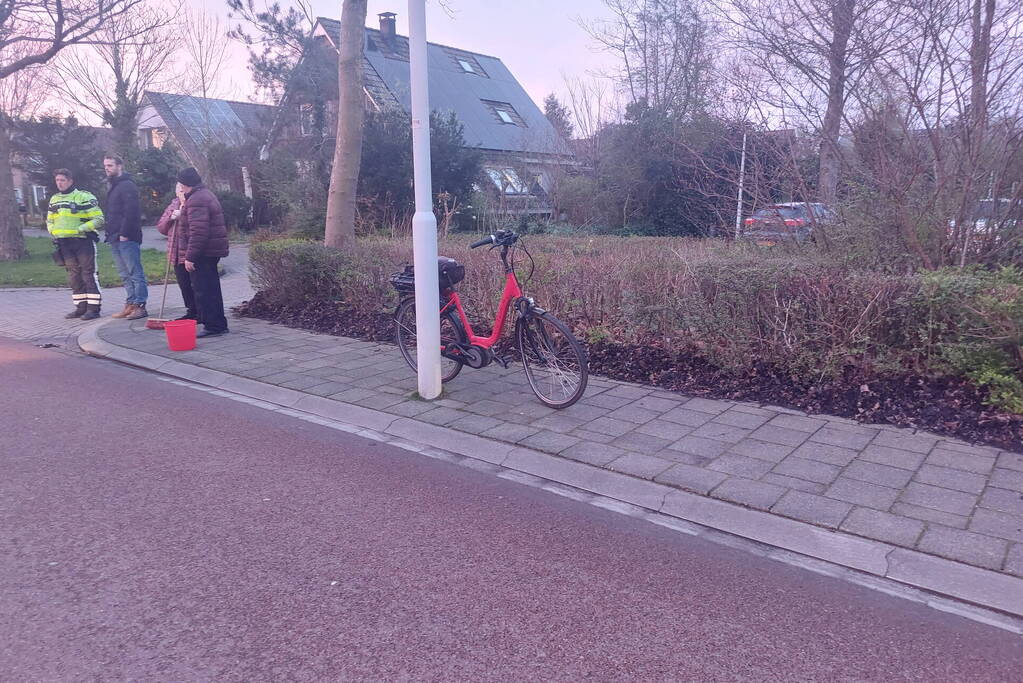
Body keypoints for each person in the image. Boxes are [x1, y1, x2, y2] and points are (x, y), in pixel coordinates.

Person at [176, 167, 229, 337]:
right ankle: (218, 324)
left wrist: (190, 257)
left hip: (203, 253)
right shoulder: (204, 194)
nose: (180, 187)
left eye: (181, 184)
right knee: (211, 288)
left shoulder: (196, 200)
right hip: (210, 250)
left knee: (204, 290)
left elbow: (198, 232)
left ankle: (213, 326)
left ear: (185, 184)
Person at [46, 169, 105, 320]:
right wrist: (53, 231)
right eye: (57, 180)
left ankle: (93, 309)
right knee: (74, 276)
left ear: (70, 181)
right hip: (64, 243)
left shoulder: (83, 197)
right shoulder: (54, 199)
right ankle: (80, 307)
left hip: (83, 241)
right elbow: (50, 220)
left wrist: (81, 229)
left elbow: (98, 219)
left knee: (88, 274)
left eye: (62, 180)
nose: (59, 183)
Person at [103, 154, 148, 320]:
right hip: (114, 236)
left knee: (135, 272)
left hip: (126, 237)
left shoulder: (127, 185)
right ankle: (130, 303)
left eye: (110, 165)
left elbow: (132, 212)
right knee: (124, 273)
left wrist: (125, 233)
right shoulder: (113, 185)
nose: (107, 168)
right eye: (106, 165)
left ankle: (140, 305)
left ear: (119, 165)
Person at [155, 184, 197, 321]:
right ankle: (191, 310)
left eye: (183, 189)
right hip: (176, 252)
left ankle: (201, 311)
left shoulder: (194, 203)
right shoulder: (173, 205)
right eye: (178, 190)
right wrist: (171, 218)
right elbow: (161, 227)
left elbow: (196, 226)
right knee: (184, 284)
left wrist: (182, 215)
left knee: (195, 284)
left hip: (190, 252)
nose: (181, 192)